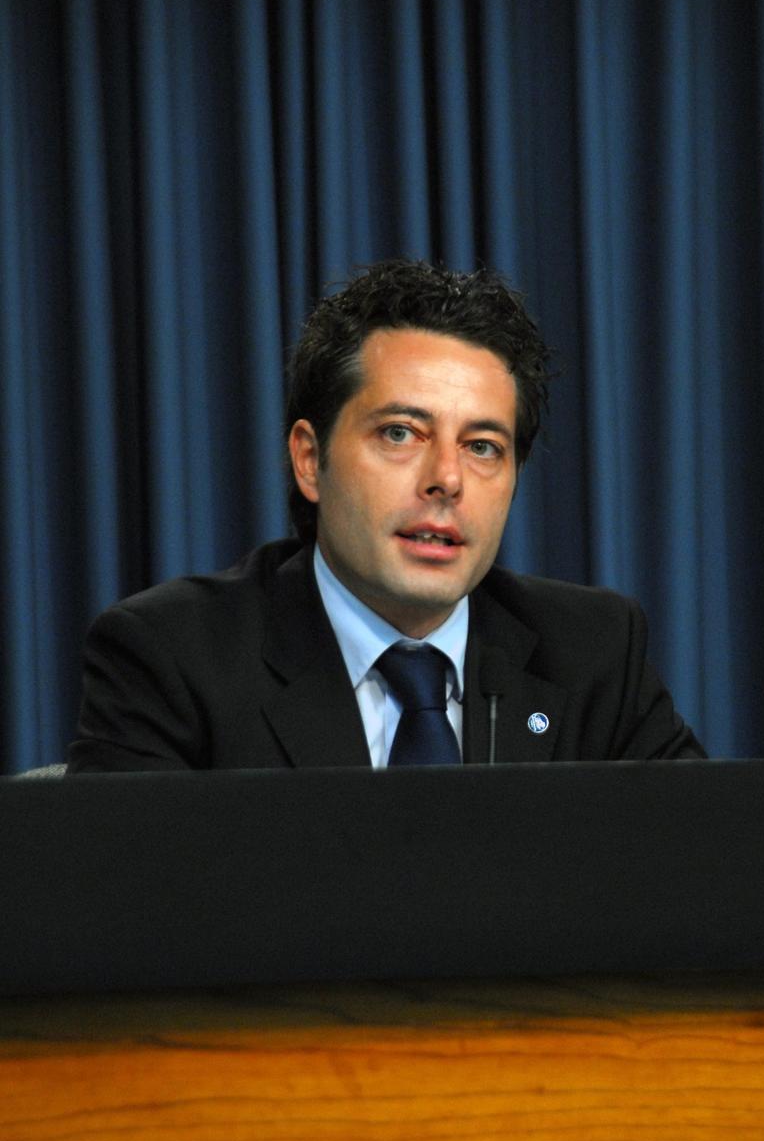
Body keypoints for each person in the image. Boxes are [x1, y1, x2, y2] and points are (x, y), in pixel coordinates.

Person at [68, 259, 704, 772]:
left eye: (483, 447)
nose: (446, 480)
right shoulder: (173, 659)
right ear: (310, 460)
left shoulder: (594, 652)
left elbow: (703, 878)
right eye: (401, 434)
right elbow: (131, 919)